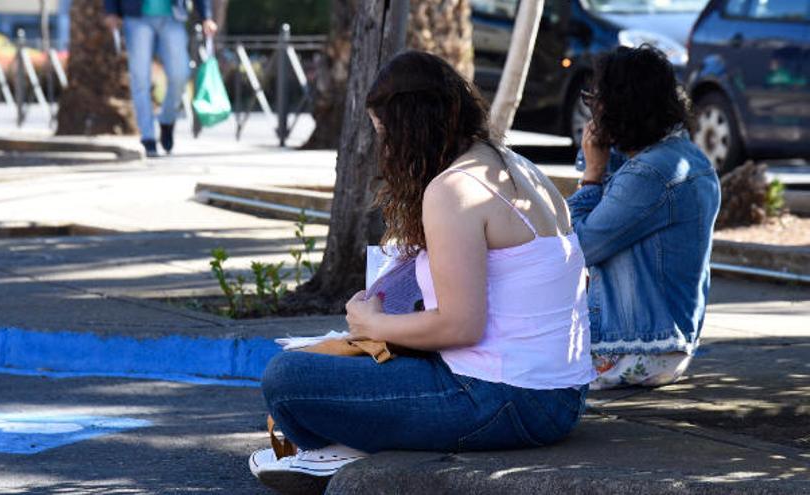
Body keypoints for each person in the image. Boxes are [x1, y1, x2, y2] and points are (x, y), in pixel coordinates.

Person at [248, 51, 595, 491]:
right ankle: (347, 444)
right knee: (324, 364)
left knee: (287, 378)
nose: (385, 151)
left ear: (412, 129)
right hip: (560, 396)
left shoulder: (454, 189)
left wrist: (374, 323)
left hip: (502, 398)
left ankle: (340, 449)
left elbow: (462, 325)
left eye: (385, 135)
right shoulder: (515, 165)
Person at [567, 46, 721, 390]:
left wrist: (592, 174)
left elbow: (578, 247)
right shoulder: (683, 157)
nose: (592, 109)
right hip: (660, 346)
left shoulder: (650, 174)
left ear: (621, 107)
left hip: (634, 350)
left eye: (596, 99)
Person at [103, 0, 217, 156]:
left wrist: (206, 16)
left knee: (180, 74)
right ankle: (148, 137)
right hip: (136, 17)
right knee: (140, 79)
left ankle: (167, 120)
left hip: (172, 16)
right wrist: (111, 11)